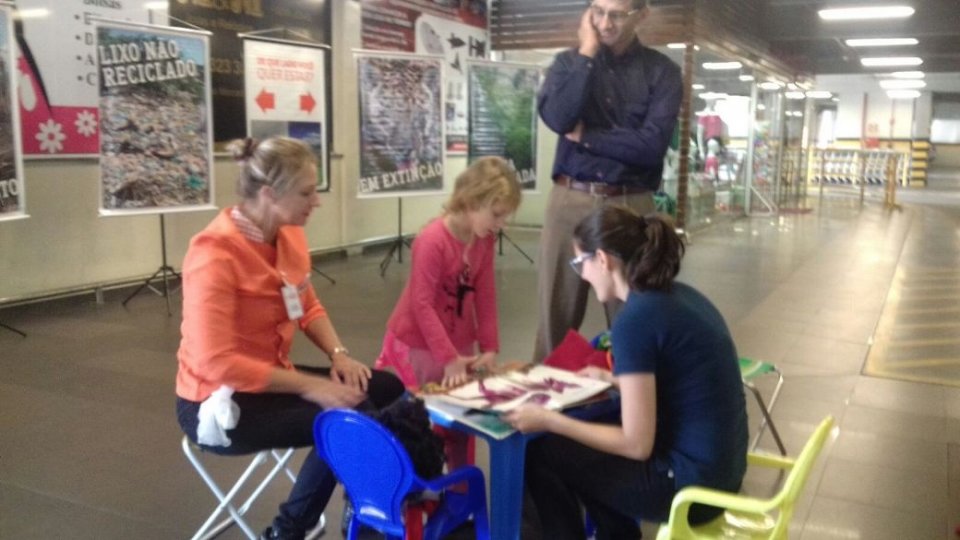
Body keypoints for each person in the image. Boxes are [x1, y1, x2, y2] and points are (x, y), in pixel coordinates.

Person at [175, 136, 405, 540]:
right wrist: (313, 387)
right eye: (307, 192)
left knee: (385, 387)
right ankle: (287, 532)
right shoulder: (213, 255)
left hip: (269, 377)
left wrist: (339, 356)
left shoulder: (288, 232)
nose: (316, 201)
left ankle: (363, 505)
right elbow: (219, 364)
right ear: (268, 194)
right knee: (346, 420)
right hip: (214, 400)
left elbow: (307, 305)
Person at [505, 206, 748, 539]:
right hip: (722, 474)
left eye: (581, 263)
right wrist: (612, 379)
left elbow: (636, 445)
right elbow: (676, 382)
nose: (583, 275)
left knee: (543, 452)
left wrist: (549, 421)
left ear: (603, 260)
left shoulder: (635, 321)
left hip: (690, 489)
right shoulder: (678, 297)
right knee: (590, 446)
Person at [533, 0, 683, 363]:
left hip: (631, 203)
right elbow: (558, 117)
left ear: (642, 14)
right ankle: (543, 409)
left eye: (616, 14)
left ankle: (631, 406)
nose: (604, 22)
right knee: (555, 316)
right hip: (570, 198)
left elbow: (650, 148)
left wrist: (587, 137)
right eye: (597, 11)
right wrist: (587, 52)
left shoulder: (662, 72)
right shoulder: (568, 63)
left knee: (633, 315)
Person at [375, 155, 521, 470]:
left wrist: (490, 348)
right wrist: (449, 357)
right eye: (496, 215)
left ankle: (457, 489)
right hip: (417, 342)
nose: (501, 224)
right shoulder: (432, 241)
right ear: (471, 202)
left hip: (457, 341)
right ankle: (421, 488)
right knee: (422, 417)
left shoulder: (484, 241)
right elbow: (421, 304)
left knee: (463, 415)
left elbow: (486, 295)